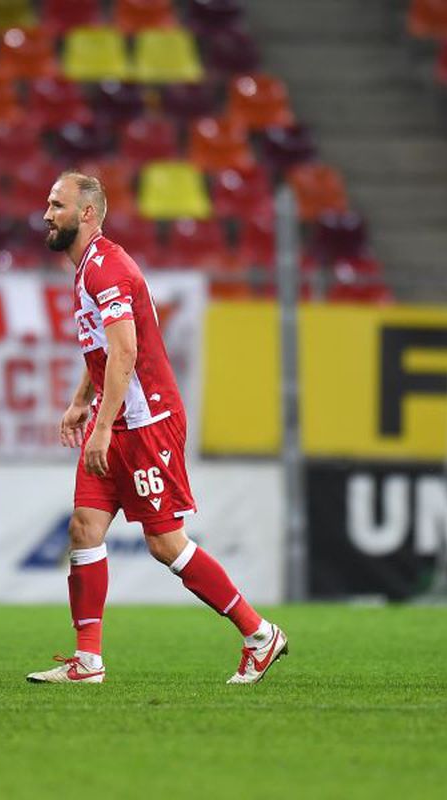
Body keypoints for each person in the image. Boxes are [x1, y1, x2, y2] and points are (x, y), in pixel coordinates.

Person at [26, 172, 288, 686]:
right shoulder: (83, 269)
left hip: (146, 423)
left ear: (87, 214)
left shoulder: (106, 269)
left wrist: (100, 427)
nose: (46, 214)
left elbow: (126, 351)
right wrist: (81, 401)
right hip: (113, 417)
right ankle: (88, 661)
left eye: (56, 205)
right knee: (84, 527)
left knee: (165, 543)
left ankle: (260, 635)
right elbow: (102, 349)